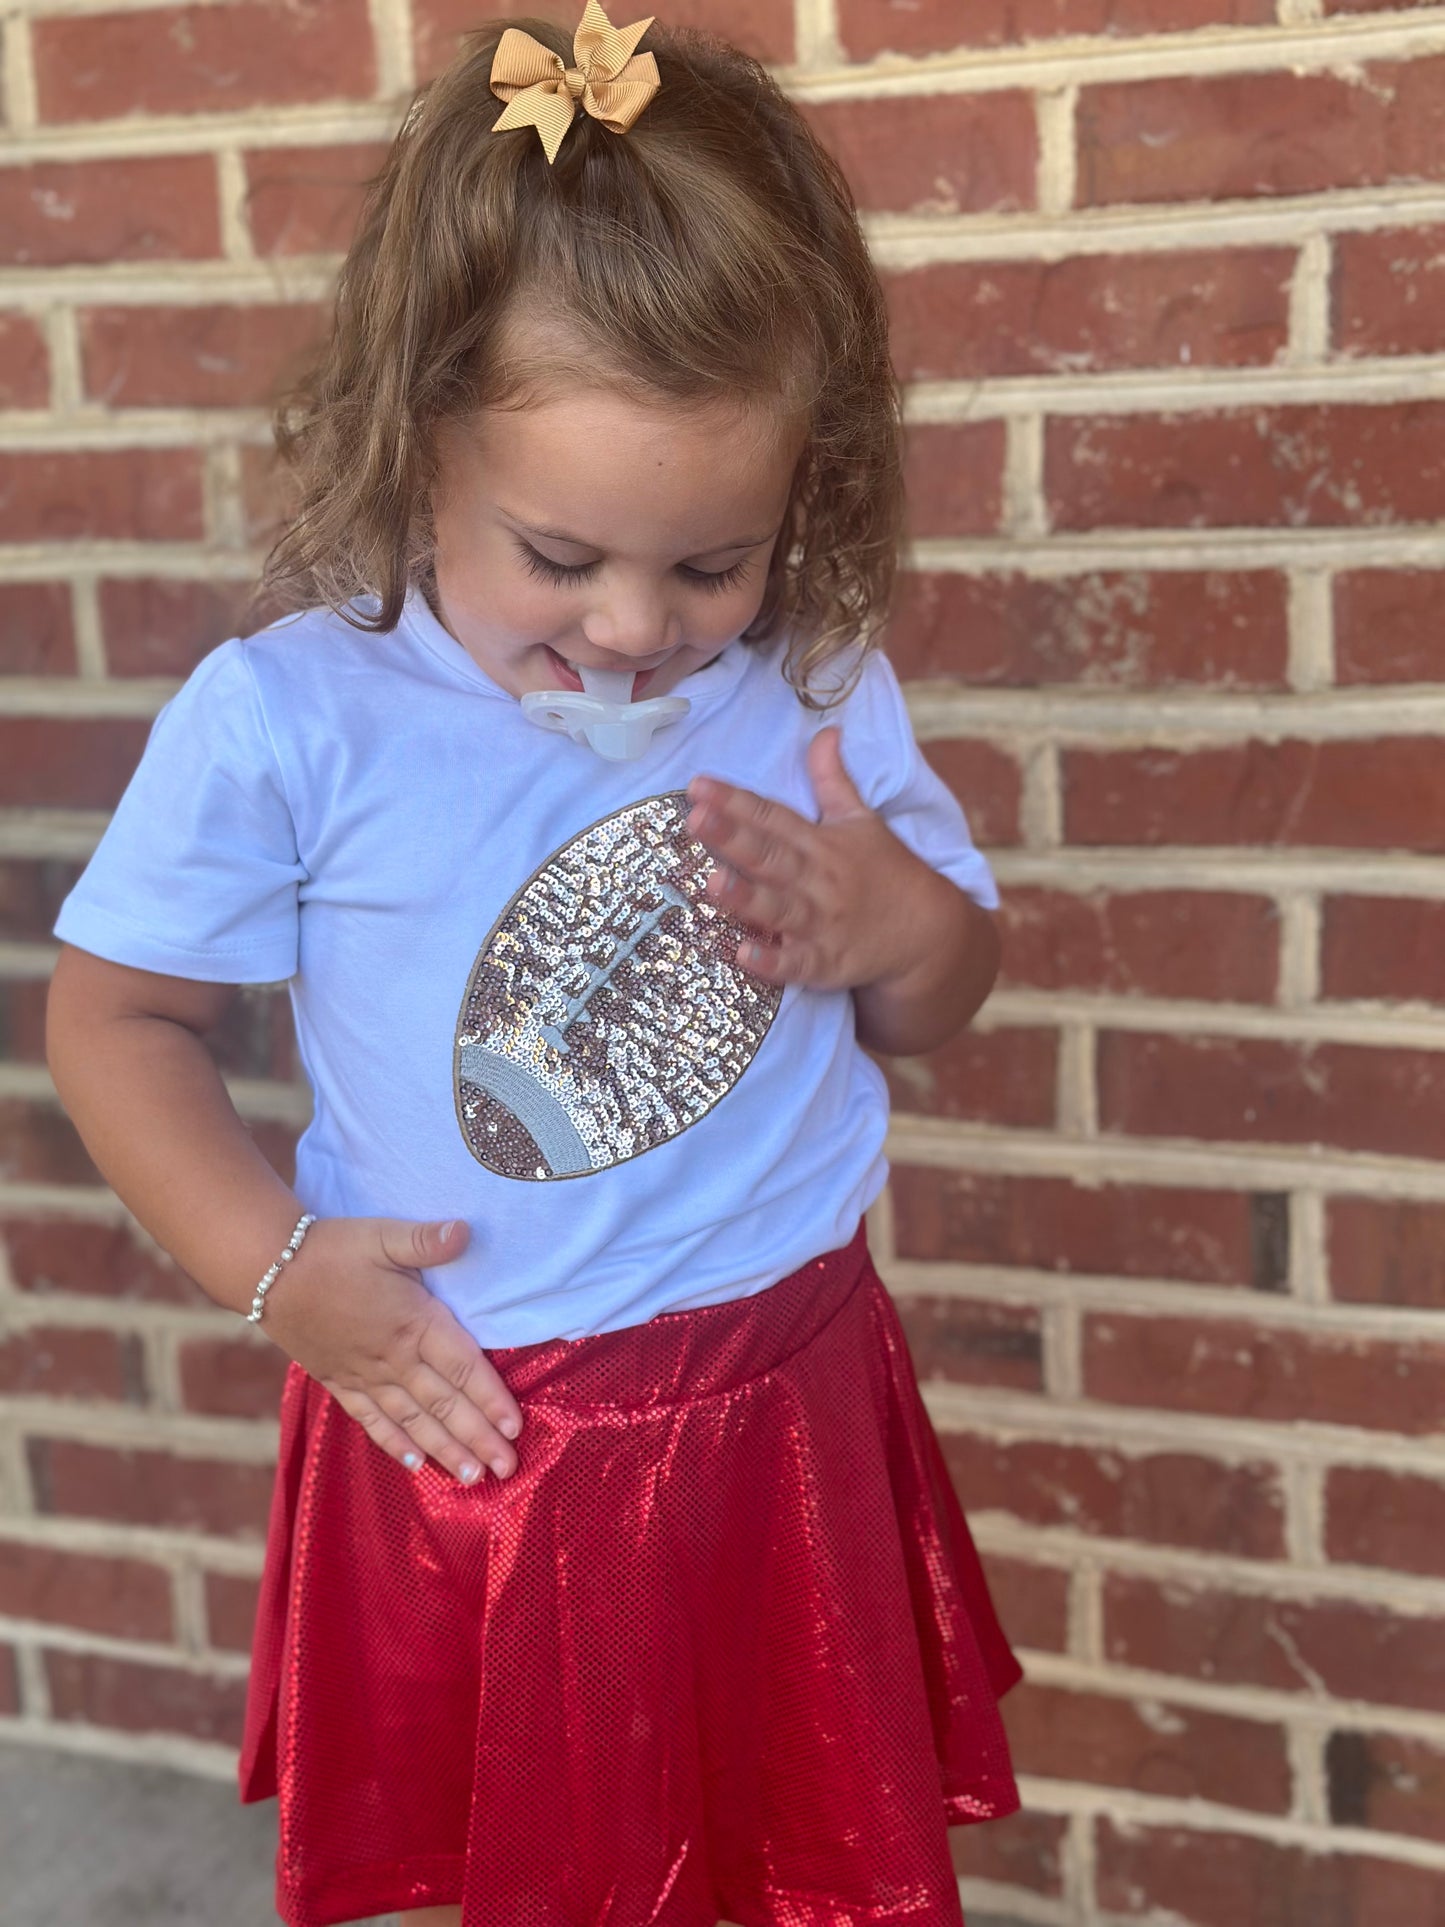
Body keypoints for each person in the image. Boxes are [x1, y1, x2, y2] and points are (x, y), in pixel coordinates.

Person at [45, 8, 1023, 1924]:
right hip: (488, 1432)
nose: (635, 634)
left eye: (711, 563)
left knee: (794, 1858)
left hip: (783, 1387)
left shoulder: (809, 690)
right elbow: (115, 1015)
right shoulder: (295, 716)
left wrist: (892, 919)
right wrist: (272, 1269)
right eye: (560, 554)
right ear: (419, 440)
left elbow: (939, 999)